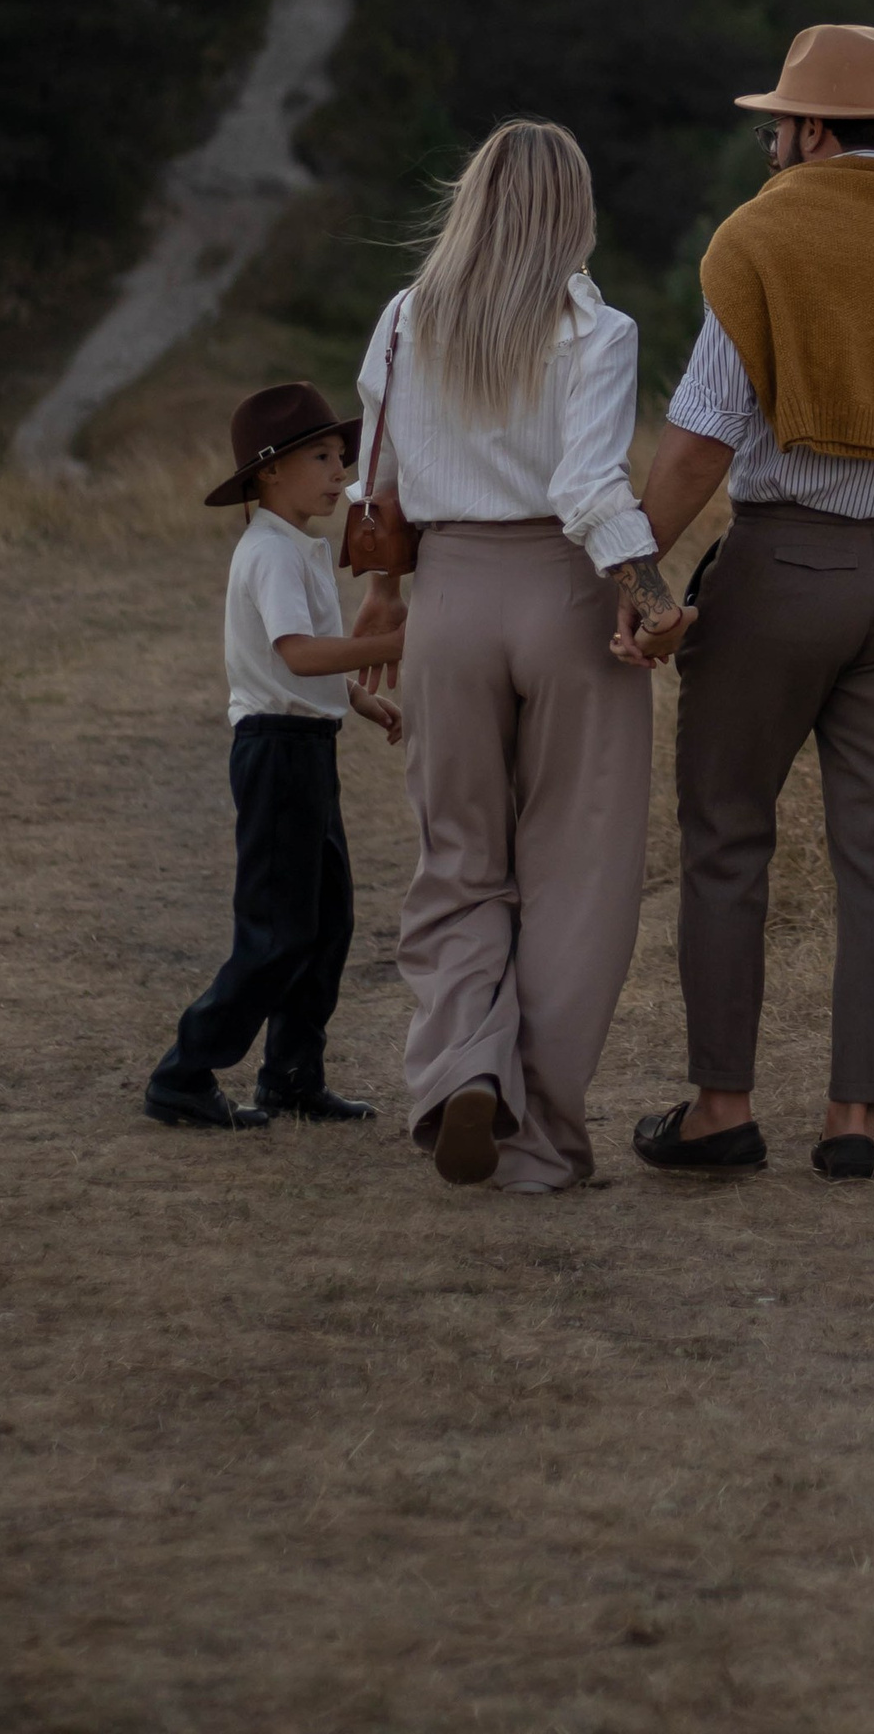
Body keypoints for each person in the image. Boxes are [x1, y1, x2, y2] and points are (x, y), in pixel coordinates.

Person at [626, 22, 874, 1184]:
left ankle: (721, 1105)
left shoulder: (759, 237)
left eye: (777, 124)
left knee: (727, 835)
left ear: (812, 129)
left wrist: (632, 564)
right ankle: (854, 1117)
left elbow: (701, 442)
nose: (768, 142)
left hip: (779, 569)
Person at [346, 119, 683, 1193]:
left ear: (473, 200)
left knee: (456, 854)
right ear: (574, 211)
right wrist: (653, 596)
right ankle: (540, 1142)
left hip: (448, 597)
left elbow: (376, 483)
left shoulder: (406, 318)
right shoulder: (599, 329)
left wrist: (384, 603)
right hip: (567, 595)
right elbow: (588, 487)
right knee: (577, 873)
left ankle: (463, 1068)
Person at [144, 382, 404, 1133]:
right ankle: (182, 1076)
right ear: (268, 471)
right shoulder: (268, 553)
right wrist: (399, 642)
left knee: (326, 923)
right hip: (276, 753)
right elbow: (296, 653)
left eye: (341, 455)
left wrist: (357, 698)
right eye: (320, 457)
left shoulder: (297, 546)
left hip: (306, 748)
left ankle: (292, 1077)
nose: (339, 471)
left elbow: (295, 657)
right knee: (276, 933)